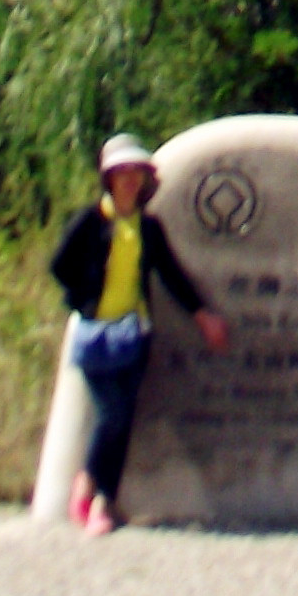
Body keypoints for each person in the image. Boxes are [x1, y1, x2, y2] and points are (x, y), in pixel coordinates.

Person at [44, 132, 232, 536]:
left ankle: (100, 504)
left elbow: (170, 274)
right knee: (110, 416)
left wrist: (202, 315)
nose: (129, 180)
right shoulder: (90, 220)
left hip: (135, 335)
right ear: (108, 178)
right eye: (121, 173)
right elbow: (59, 266)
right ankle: (88, 484)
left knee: (123, 418)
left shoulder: (148, 227)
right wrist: (84, 302)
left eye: (136, 173)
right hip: (96, 335)